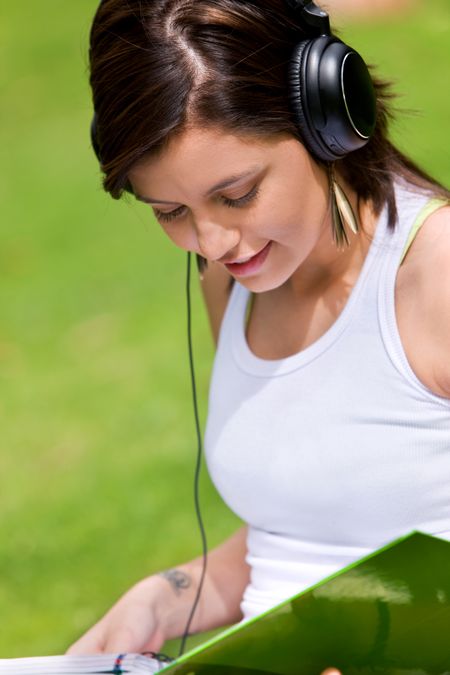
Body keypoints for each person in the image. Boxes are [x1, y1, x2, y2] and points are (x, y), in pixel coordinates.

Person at [69, 0, 450, 664]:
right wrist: (168, 592)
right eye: (170, 210)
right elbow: (308, 527)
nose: (212, 243)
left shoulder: (434, 277)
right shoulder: (237, 282)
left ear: (326, 119)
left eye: (237, 194)